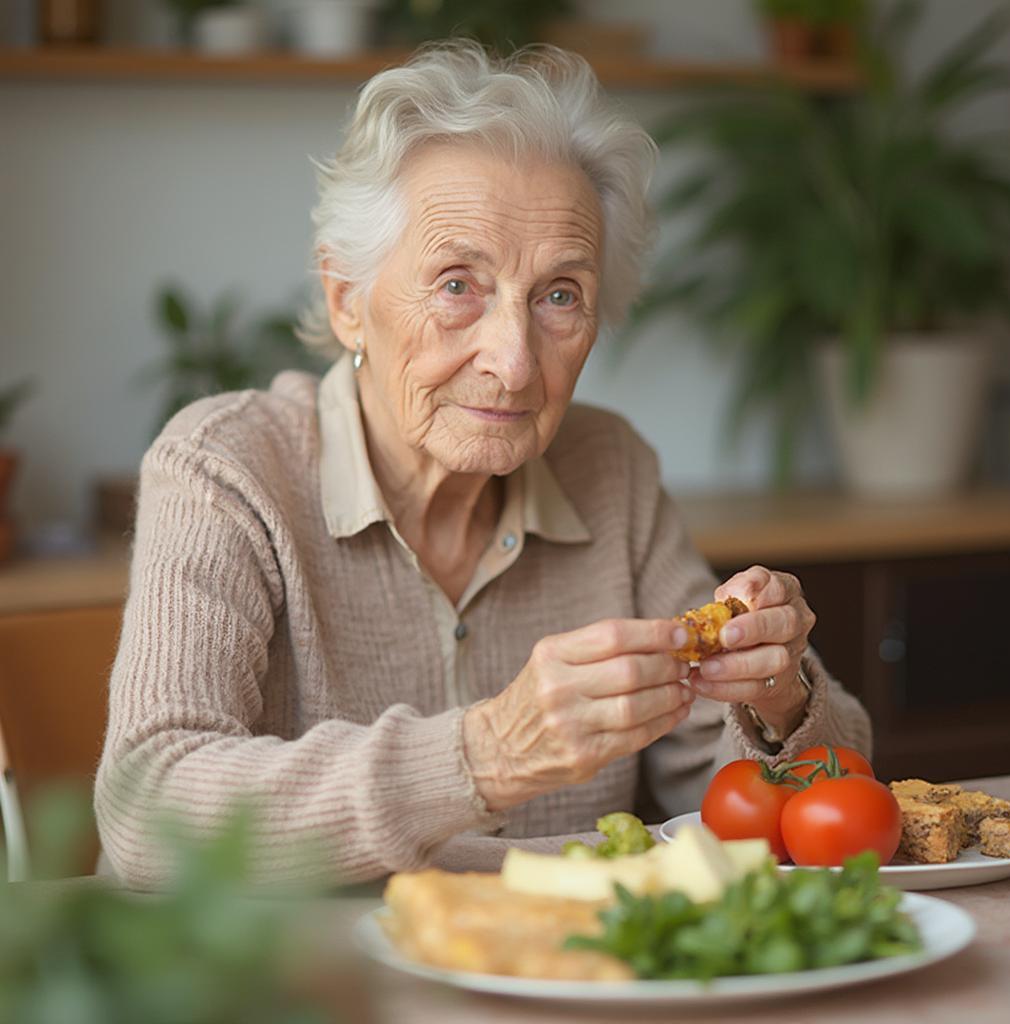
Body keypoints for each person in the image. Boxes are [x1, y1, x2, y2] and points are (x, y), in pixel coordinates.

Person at [96, 42, 870, 887]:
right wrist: (486, 755)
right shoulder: (228, 470)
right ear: (347, 301)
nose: (514, 362)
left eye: (559, 295)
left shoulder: (610, 470)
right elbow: (149, 811)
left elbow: (785, 799)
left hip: (545, 979)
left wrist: (778, 696)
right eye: (457, 284)